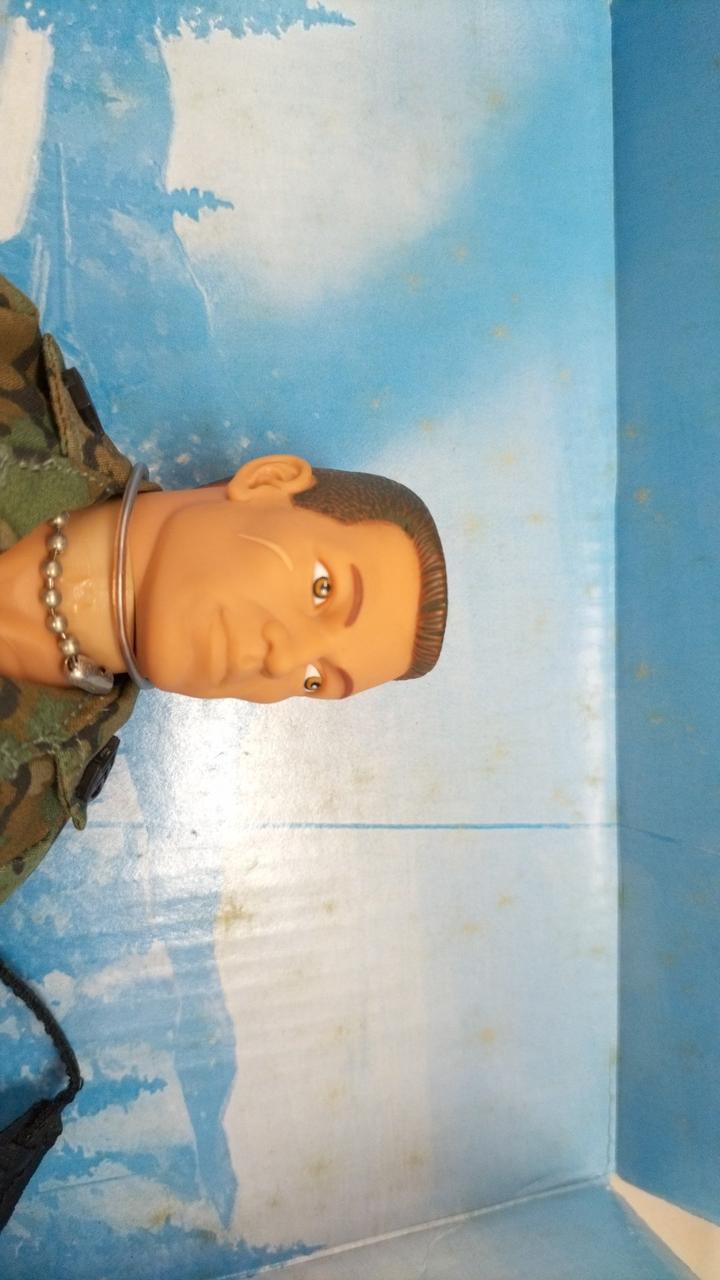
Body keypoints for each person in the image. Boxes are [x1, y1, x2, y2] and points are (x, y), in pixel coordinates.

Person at [0, 275, 448, 904]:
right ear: (268, 482)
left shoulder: (20, 820)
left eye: (314, 681)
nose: (284, 661)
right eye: (322, 590)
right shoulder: (7, 356)